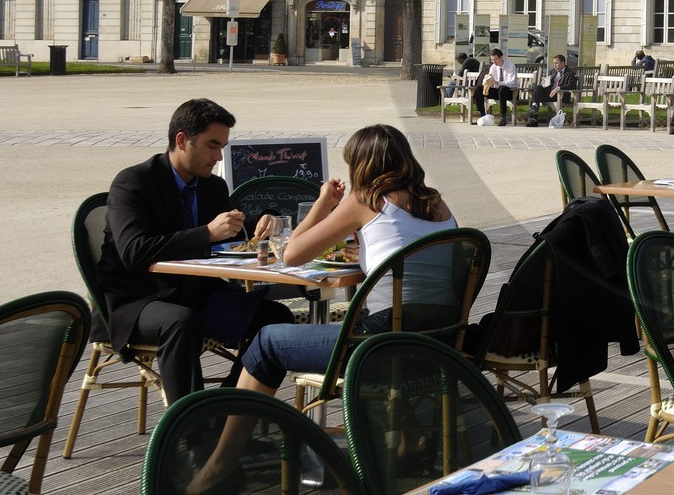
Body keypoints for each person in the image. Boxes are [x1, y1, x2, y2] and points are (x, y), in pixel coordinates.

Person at [187, 124, 457, 493]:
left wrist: (323, 202)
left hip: (380, 346)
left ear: (361, 165)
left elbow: (292, 253)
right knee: (368, 319)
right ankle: (414, 439)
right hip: (436, 342)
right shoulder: (437, 204)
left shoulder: (365, 199)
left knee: (266, 342)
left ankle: (220, 466)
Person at [97, 99, 294, 405]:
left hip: (196, 294)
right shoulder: (134, 182)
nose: (218, 156)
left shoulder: (211, 186)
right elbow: (134, 252)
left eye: (222, 147)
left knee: (275, 316)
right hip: (138, 301)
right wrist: (206, 234)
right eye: (211, 146)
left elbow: (234, 229)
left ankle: (229, 408)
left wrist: (265, 219)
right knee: (181, 321)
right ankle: (189, 430)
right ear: (181, 140)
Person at [527, 54, 577, 126]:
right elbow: (549, 84)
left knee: (536, 96)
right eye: (554, 63)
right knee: (538, 88)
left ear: (563, 63)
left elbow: (571, 85)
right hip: (551, 94)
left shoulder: (569, 73)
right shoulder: (553, 71)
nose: (555, 65)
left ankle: (533, 118)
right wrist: (545, 82)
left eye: (557, 63)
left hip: (561, 95)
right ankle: (534, 111)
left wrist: (558, 88)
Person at [475, 48, 517, 126]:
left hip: (510, 92)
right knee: (478, 89)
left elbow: (511, 83)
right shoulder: (493, 67)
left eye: (495, 59)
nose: (494, 62)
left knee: (502, 89)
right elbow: (490, 77)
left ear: (501, 57)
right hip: (497, 90)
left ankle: (503, 117)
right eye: (492, 60)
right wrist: (487, 81)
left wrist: (497, 82)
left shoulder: (510, 66)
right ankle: (482, 114)